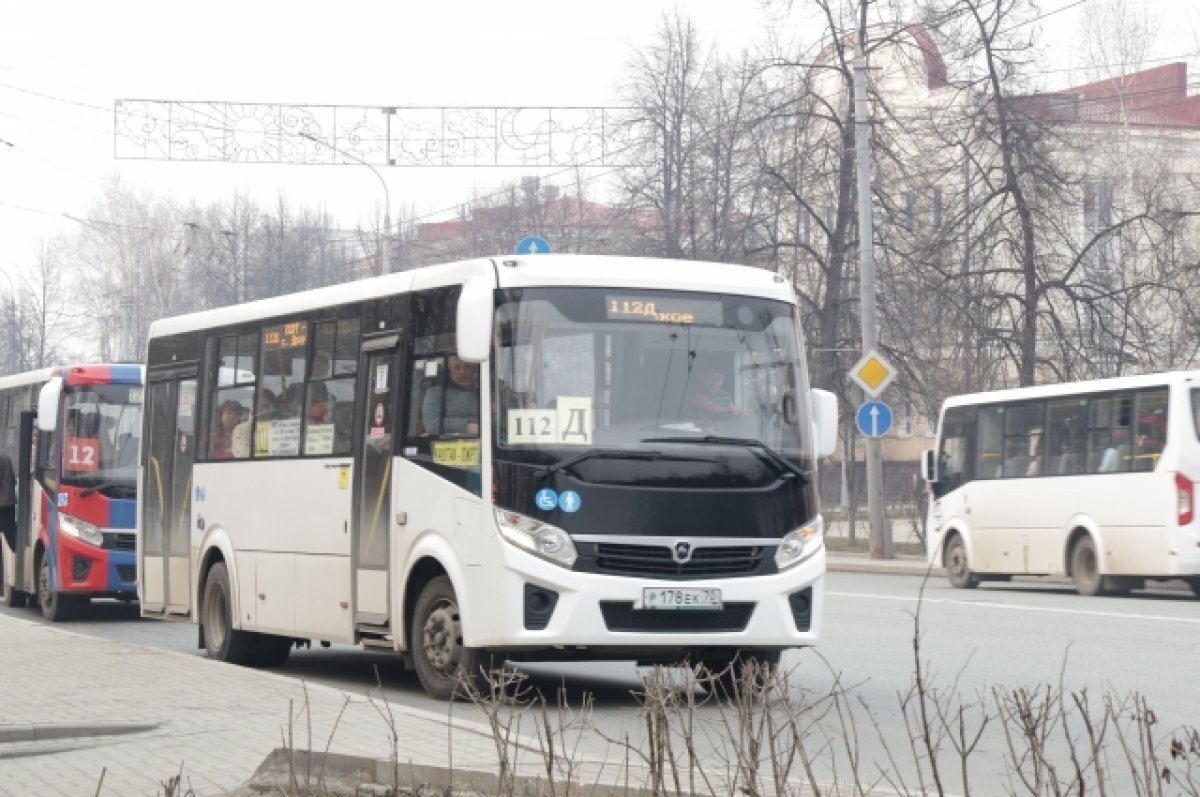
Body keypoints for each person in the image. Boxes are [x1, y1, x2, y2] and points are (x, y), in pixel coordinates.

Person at [422, 355, 480, 435]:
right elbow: (431, 425)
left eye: (467, 367)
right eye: (457, 367)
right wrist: (467, 426)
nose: (462, 372)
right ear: (450, 372)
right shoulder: (435, 393)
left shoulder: (484, 394)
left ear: (474, 372)